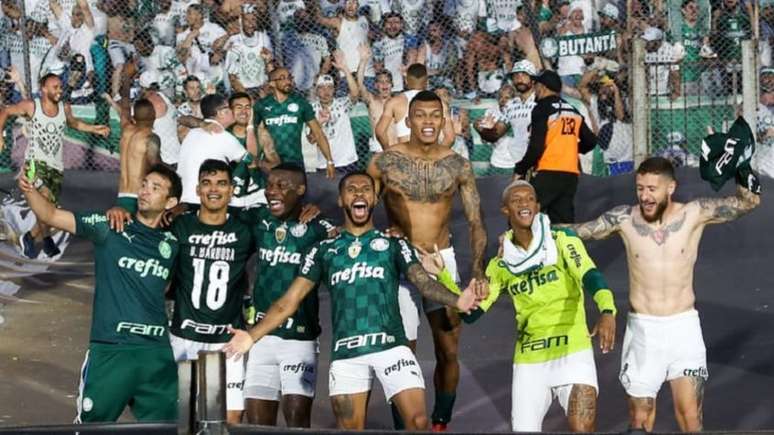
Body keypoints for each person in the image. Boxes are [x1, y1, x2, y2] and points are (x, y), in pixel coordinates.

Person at [223, 171, 484, 430]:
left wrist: (458, 300)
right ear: (340, 200)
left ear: (374, 200)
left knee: (417, 421)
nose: (359, 193)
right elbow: (288, 302)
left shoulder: (393, 244)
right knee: (351, 429)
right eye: (351, 189)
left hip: (391, 347)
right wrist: (252, 336)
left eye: (365, 189)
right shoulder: (324, 250)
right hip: (348, 354)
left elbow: (423, 282)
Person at [563, 157, 761, 432]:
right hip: (643, 330)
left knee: (690, 416)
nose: (645, 195)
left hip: (684, 329)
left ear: (671, 187)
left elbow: (748, 202)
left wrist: (742, 164)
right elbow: (581, 231)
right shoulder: (624, 218)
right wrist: (534, 230)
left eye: (652, 189)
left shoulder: (694, 213)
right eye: (640, 188)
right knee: (640, 418)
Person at [427, 179, 617, 432]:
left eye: (529, 199)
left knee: (582, 427)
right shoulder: (501, 263)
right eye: (516, 200)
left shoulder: (561, 240)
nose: (524, 204)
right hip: (530, 361)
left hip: (572, 352)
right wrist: (442, 275)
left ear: (537, 206)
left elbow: (590, 275)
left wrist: (607, 310)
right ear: (505, 210)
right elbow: (470, 313)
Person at [19, 163, 183, 422]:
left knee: (166, 428)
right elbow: (50, 215)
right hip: (111, 351)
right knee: (92, 429)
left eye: (155, 188)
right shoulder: (108, 226)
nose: (144, 191)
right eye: (144, 185)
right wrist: (29, 190)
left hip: (156, 353)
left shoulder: (173, 243)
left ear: (170, 201)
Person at [367, 90, 487, 431]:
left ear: (445, 120)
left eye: (436, 115)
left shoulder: (457, 164)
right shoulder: (384, 161)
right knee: (402, 352)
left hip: (441, 258)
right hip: (400, 261)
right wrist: (378, 240)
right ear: (408, 121)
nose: (429, 122)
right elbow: (360, 207)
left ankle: (440, 423)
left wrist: (476, 270)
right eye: (421, 115)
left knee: (448, 348)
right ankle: (404, 425)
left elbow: (477, 221)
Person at [241, 163, 336, 427]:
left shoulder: (318, 227)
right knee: (257, 426)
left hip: (299, 339)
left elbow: (348, 239)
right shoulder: (259, 219)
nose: (273, 191)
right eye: (270, 185)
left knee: (297, 421)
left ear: (301, 190)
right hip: (260, 337)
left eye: (282, 186)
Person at [168, 160, 255, 424]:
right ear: (197, 189)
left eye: (221, 183)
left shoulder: (245, 230)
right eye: (207, 183)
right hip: (184, 336)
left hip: (228, 340)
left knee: (231, 419)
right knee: (184, 419)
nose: (213, 189)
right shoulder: (179, 225)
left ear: (232, 191)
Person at [0, 73, 110, 258]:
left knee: (49, 209)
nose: (59, 90)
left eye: (60, 86)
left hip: (56, 167)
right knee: (47, 202)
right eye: (55, 87)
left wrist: (94, 128)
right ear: (44, 89)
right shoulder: (31, 106)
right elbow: (5, 112)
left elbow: (74, 124)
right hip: (35, 164)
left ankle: (33, 237)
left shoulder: (64, 108)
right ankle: (42, 239)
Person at [513, 69, 597, 224]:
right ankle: (566, 248)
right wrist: (570, 147)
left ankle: (521, 248)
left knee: (521, 216)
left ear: (543, 87)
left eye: (536, 84)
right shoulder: (572, 110)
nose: (534, 87)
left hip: (548, 172)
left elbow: (536, 147)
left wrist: (520, 169)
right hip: (570, 175)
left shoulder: (542, 108)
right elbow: (591, 141)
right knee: (563, 223)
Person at [253, 67, 335, 178]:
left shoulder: (300, 103)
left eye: (289, 77)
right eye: (282, 78)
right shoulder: (261, 105)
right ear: (272, 83)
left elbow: (318, 133)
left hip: (295, 163)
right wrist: (256, 161)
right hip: (270, 164)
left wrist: (329, 160)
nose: (288, 81)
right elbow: (253, 133)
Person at [176, 94, 252, 207]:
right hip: (204, 201)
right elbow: (250, 160)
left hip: (182, 198)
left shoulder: (192, 132)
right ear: (221, 113)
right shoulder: (221, 135)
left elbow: (182, 118)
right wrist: (251, 126)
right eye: (230, 108)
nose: (233, 111)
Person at [475, 60, 538, 175]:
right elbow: (495, 135)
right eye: (516, 75)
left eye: (524, 74)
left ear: (533, 79)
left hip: (537, 164)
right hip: (515, 165)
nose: (519, 78)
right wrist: (480, 128)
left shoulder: (541, 102)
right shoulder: (510, 106)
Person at [375, 64, 453, 149]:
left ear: (406, 81)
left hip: (405, 157)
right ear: (427, 81)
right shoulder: (439, 103)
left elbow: (380, 132)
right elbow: (450, 137)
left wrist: (388, 152)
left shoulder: (394, 102)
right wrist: (436, 155)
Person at [356, 44, 395, 152]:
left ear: (392, 84)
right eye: (381, 82)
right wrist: (363, 60)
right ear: (375, 85)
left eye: (387, 81)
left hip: (396, 145)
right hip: (378, 148)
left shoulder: (398, 102)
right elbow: (360, 83)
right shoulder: (372, 100)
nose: (384, 85)